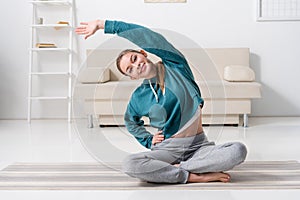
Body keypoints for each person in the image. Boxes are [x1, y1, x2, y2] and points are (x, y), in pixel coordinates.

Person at [75, 19, 247, 184]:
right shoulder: (139, 96)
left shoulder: (176, 65)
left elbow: (146, 36)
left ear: (143, 53)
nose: (136, 66)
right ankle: (193, 176)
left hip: (199, 146)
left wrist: (103, 24)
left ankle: (174, 170)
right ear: (132, 76)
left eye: (134, 59)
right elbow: (130, 121)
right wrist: (149, 141)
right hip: (167, 149)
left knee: (237, 151)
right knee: (130, 164)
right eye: (130, 69)